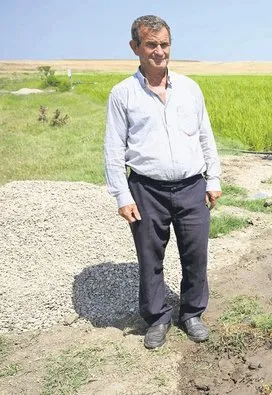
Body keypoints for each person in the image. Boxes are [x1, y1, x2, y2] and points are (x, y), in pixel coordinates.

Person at [103, 15, 222, 349]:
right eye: (151, 45)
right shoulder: (123, 94)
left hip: (192, 186)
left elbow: (205, 137)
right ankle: (157, 318)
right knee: (150, 258)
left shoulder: (190, 89)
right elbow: (114, 150)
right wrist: (122, 196)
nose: (159, 52)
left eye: (164, 44)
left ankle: (192, 314)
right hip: (146, 190)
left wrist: (213, 178)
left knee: (196, 254)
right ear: (135, 47)